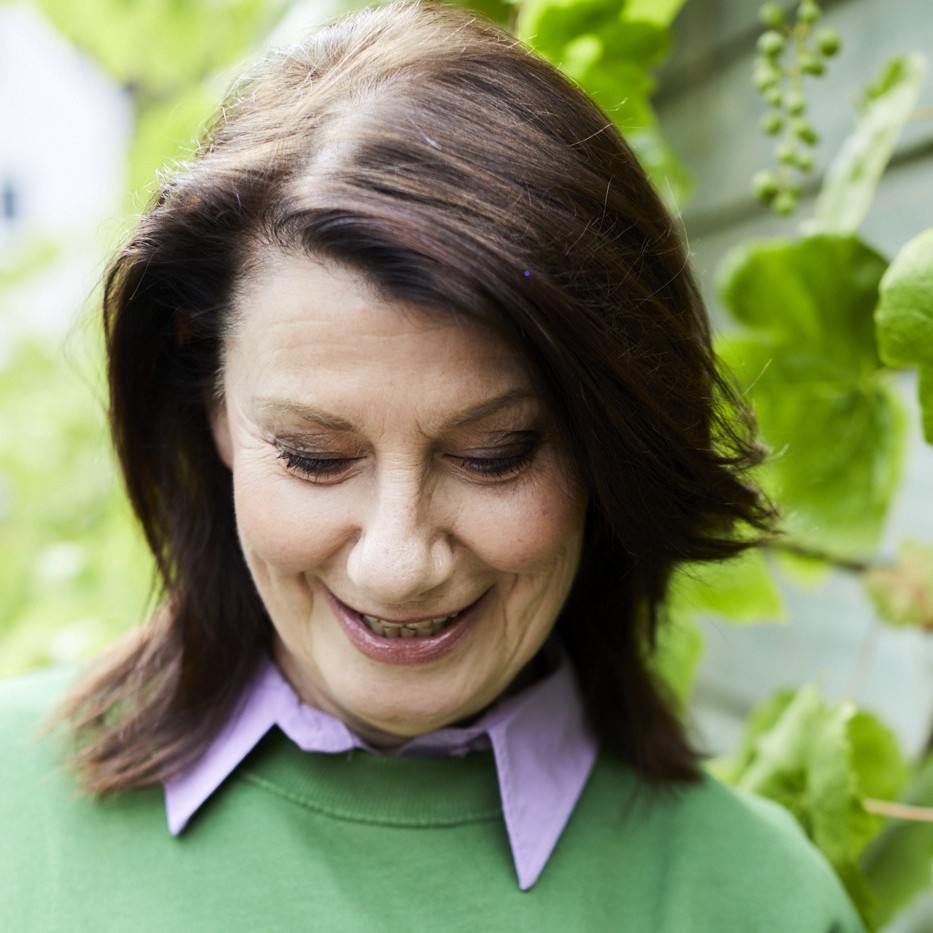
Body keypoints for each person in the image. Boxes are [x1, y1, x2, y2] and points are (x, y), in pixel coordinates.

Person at [0, 2, 864, 930]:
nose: (397, 562)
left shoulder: (758, 901)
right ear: (211, 407)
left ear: (604, 444)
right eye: (315, 456)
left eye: (494, 455)